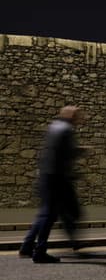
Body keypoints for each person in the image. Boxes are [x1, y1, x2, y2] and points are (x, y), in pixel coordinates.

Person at [19, 106, 87, 263]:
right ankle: (40, 251)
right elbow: (67, 154)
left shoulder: (53, 126)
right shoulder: (66, 130)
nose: (80, 118)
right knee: (50, 215)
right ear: (71, 116)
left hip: (45, 174)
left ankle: (26, 247)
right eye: (78, 115)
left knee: (44, 214)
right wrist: (81, 150)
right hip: (57, 177)